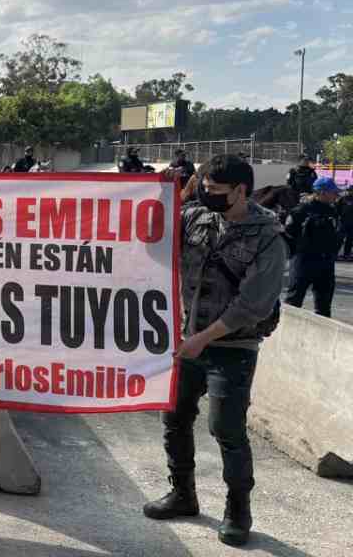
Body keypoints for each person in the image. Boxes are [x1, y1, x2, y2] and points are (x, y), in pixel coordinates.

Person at [144, 155, 286, 546]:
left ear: (242, 191)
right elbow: (153, 242)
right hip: (187, 341)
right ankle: (182, 494)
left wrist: (201, 340)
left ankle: (237, 511)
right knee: (174, 418)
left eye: (216, 192)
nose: (207, 196)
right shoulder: (196, 217)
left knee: (226, 429)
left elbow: (251, 306)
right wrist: (162, 194)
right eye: (204, 188)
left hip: (231, 347)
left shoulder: (268, 237)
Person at [283, 176, 342, 316]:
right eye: (333, 192)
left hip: (326, 263)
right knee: (293, 302)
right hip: (304, 261)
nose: (336, 195)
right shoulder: (301, 210)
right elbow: (288, 233)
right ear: (322, 192)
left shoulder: (332, 211)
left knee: (324, 306)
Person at [338, 186, 353, 261]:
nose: (350, 192)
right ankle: (335, 253)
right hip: (343, 222)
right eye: (349, 190)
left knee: (349, 240)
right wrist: (339, 217)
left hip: (352, 223)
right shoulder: (343, 198)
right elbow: (337, 208)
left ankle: (346, 254)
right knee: (340, 239)